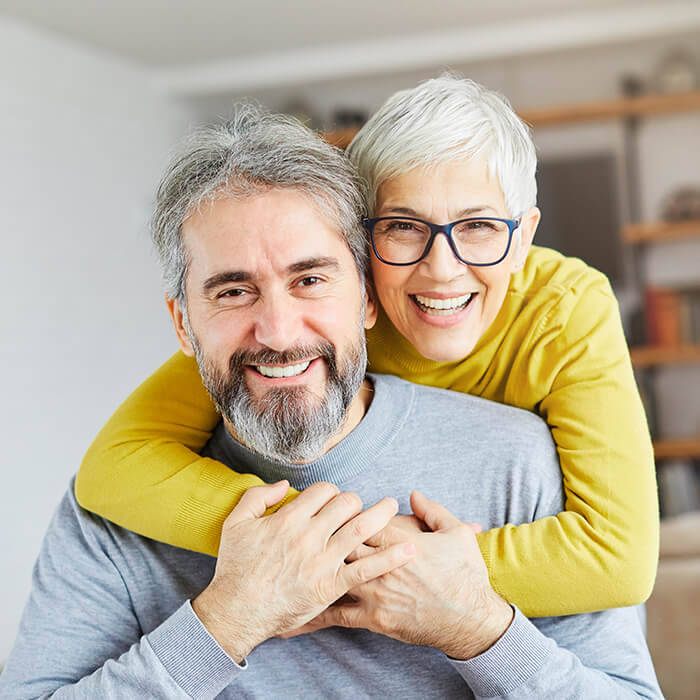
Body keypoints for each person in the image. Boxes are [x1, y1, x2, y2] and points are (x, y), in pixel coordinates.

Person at [0, 106, 661, 699]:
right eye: (232, 292)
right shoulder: (110, 515)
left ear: (366, 296)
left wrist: (480, 629)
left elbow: (622, 584)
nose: (280, 332)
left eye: (310, 279)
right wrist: (226, 621)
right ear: (182, 325)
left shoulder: (521, 459)